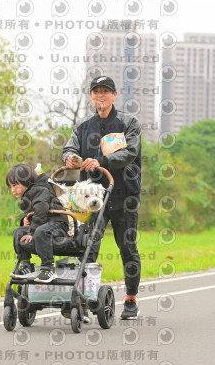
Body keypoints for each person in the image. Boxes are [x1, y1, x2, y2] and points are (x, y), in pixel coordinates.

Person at [63, 75, 142, 320]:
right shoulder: (83, 125)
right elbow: (70, 147)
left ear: (114, 95)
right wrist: (70, 157)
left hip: (125, 196)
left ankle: (131, 300)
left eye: (105, 91)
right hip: (92, 199)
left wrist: (102, 161)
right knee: (87, 247)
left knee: (127, 247)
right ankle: (83, 300)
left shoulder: (129, 123)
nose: (101, 95)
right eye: (96, 91)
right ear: (91, 96)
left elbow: (130, 152)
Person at [7, 163, 69, 282]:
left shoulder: (41, 189)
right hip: (43, 224)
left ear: (26, 181)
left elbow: (40, 210)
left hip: (58, 224)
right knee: (18, 232)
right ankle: (26, 265)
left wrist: (32, 232)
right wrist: (26, 220)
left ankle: (48, 267)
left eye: (15, 185)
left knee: (40, 231)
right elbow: (34, 213)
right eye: (10, 187)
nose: (13, 190)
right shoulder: (29, 193)